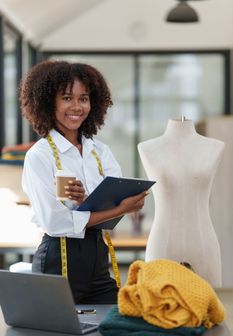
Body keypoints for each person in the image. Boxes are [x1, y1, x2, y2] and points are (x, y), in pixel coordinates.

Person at [20, 60, 147, 304]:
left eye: (84, 98)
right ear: (49, 102)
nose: (77, 106)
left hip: (97, 259)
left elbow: (111, 214)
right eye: (67, 98)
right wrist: (121, 208)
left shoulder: (100, 152)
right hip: (58, 260)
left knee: (113, 325)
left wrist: (90, 202)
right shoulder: (40, 156)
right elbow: (56, 222)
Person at [138, 118, 225, 287]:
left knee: (211, 309)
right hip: (163, 242)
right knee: (157, 309)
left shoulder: (214, 146)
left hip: (203, 243)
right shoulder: (147, 147)